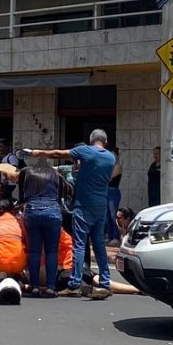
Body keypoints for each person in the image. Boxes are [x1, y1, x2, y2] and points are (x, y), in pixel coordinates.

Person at [32, 128, 114, 300]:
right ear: (105, 142)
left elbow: (57, 153)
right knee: (99, 244)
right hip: (101, 205)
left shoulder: (85, 151)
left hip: (83, 205)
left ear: (91, 140)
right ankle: (105, 283)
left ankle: (74, 284)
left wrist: (39, 152)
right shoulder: (110, 157)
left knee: (79, 244)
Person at [17, 158, 72, 298]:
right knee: (51, 251)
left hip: (32, 210)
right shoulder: (55, 175)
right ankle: (51, 287)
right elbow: (69, 191)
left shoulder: (27, 171)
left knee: (34, 251)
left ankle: (34, 286)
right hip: (52, 210)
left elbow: (21, 194)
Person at [106, 147, 123, 245]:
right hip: (106, 191)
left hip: (113, 191)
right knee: (107, 215)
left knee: (113, 215)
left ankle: (116, 236)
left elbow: (109, 178)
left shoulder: (117, 166)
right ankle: (110, 235)